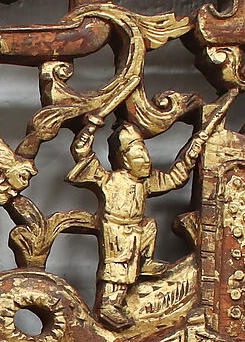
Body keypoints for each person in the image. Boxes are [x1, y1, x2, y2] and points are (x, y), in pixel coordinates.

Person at [69, 121, 208, 330]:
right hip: (116, 232)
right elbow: (83, 155)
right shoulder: (108, 179)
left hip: (137, 229)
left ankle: (144, 262)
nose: (146, 159)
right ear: (124, 159)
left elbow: (175, 178)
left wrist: (192, 151)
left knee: (149, 226)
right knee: (117, 271)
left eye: (146, 153)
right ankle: (108, 305)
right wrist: (89, 129)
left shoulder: (146, 182)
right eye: (139, 155)